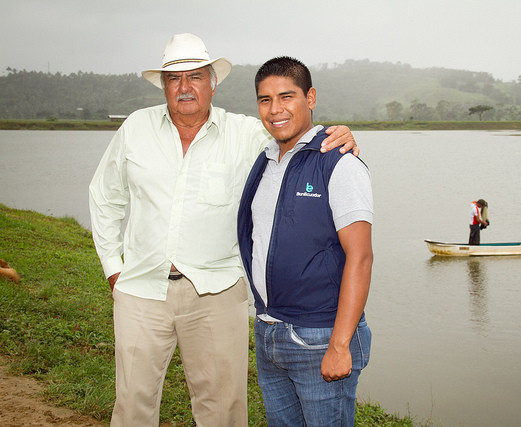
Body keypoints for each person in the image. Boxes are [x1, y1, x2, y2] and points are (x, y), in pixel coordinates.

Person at [89, 34, 357, 427]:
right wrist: (114, 266)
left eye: (195, 76)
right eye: (174, 78)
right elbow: (105, 196)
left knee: (223, 410)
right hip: (141, 290)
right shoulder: (135, 128)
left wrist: (338, 135)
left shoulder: (246, 134)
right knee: (132, 405)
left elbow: (295, 133)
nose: (185, 88)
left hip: (216, 291)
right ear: (163, 85)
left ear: (212, 82)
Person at [237, 56, 373, 426]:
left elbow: (360, 258)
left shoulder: (338, 162)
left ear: (310, 97)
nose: (276, 109)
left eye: (287, 96)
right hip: (269, 330)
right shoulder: (265, 161)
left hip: (320, 335)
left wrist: (340, 344)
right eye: (265, 100)